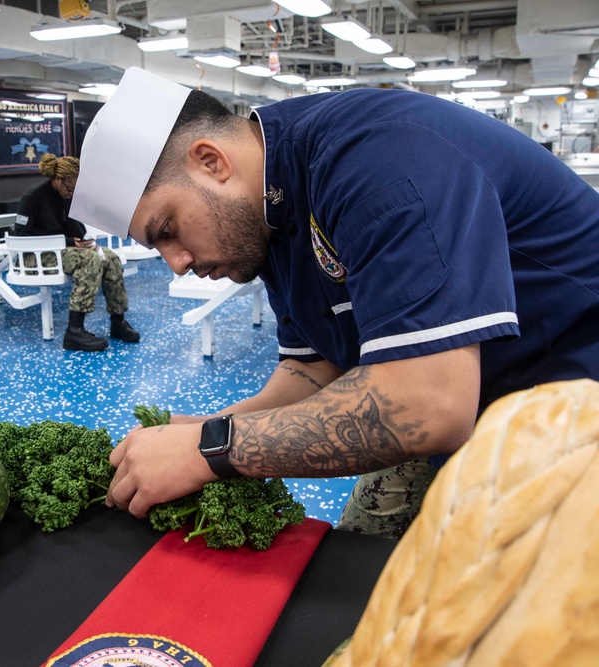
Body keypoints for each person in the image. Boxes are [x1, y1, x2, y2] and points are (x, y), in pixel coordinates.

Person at [69, 67, 599, 537]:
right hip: (471, 390)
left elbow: (430, 405)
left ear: (210, 161)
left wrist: (211, 451)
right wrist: (207, 428)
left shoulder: (378, 158)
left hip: (571, 388)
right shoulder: (265, 212)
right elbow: (312, 372)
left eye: (167, 230)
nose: (176, 262)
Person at [15, 153, 140, 351]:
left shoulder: (68, 198)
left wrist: (85, 242)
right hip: (35, 256)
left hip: (63, 253)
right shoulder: (33, 197)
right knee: (90, 260)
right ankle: (74, 330)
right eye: (69, 188)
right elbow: (21, 238)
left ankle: (118, 321)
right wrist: (67, 242)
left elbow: (76, 232)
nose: (72, 193)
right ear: (57, 180)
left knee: (110, 257)